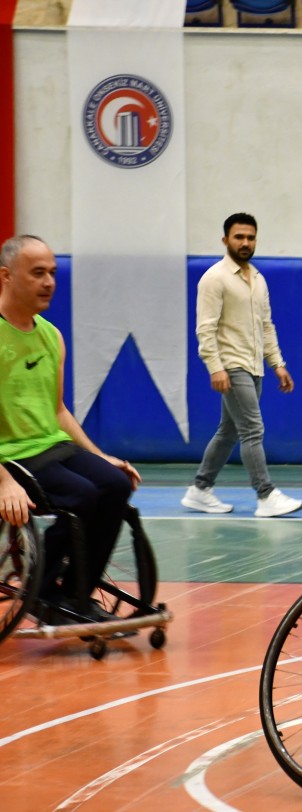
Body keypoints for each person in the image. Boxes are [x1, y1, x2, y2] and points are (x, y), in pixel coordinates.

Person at [0, 235, 141, 623]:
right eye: (37, 273)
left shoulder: (51, 335)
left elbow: (59, 410)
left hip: (52, 447)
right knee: (80, 496)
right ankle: (43, 590)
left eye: (52, 273)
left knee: (114, 484)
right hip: (10, 456)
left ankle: (77, 593)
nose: (49, 282)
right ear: (7, 276)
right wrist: (3, 483)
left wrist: (101, 457)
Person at [182, 213, 302, 518]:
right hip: (232, 365)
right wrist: (215, 367)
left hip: (254, 367)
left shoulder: (258, 280)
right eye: (239, 237)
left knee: (229, 431)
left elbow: (266, 326)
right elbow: (205, 329)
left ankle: (199, 489)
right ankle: (265, 494)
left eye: (250, 237)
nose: (245, 243)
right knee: (252, 428)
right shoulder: (214, 278)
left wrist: (278, 364)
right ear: (226, 240)